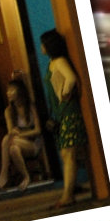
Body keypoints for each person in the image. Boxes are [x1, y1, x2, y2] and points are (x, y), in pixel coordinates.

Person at [39, 29, 89, 210]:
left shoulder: (59, 61)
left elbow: (71, 78)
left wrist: (64, 94)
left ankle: (68, 195)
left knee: (69, 153)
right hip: (62, 113)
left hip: (68, 112)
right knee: (67, 153)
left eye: (43, 43)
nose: (41, 47)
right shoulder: (53, 62)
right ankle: (69, 190)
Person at [0, 77, 43, 191]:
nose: (8, 93)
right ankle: (26, 177)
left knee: (7, 140)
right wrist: (15, 135)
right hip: (18, 143)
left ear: (20, 91)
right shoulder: (9, 111)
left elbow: (38, 130)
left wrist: (20, 134)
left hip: (33, 144)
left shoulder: (30, 106)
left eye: (11, 90)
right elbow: (11, 132)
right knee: (13, 148)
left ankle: (3, 175)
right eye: (7, 91)